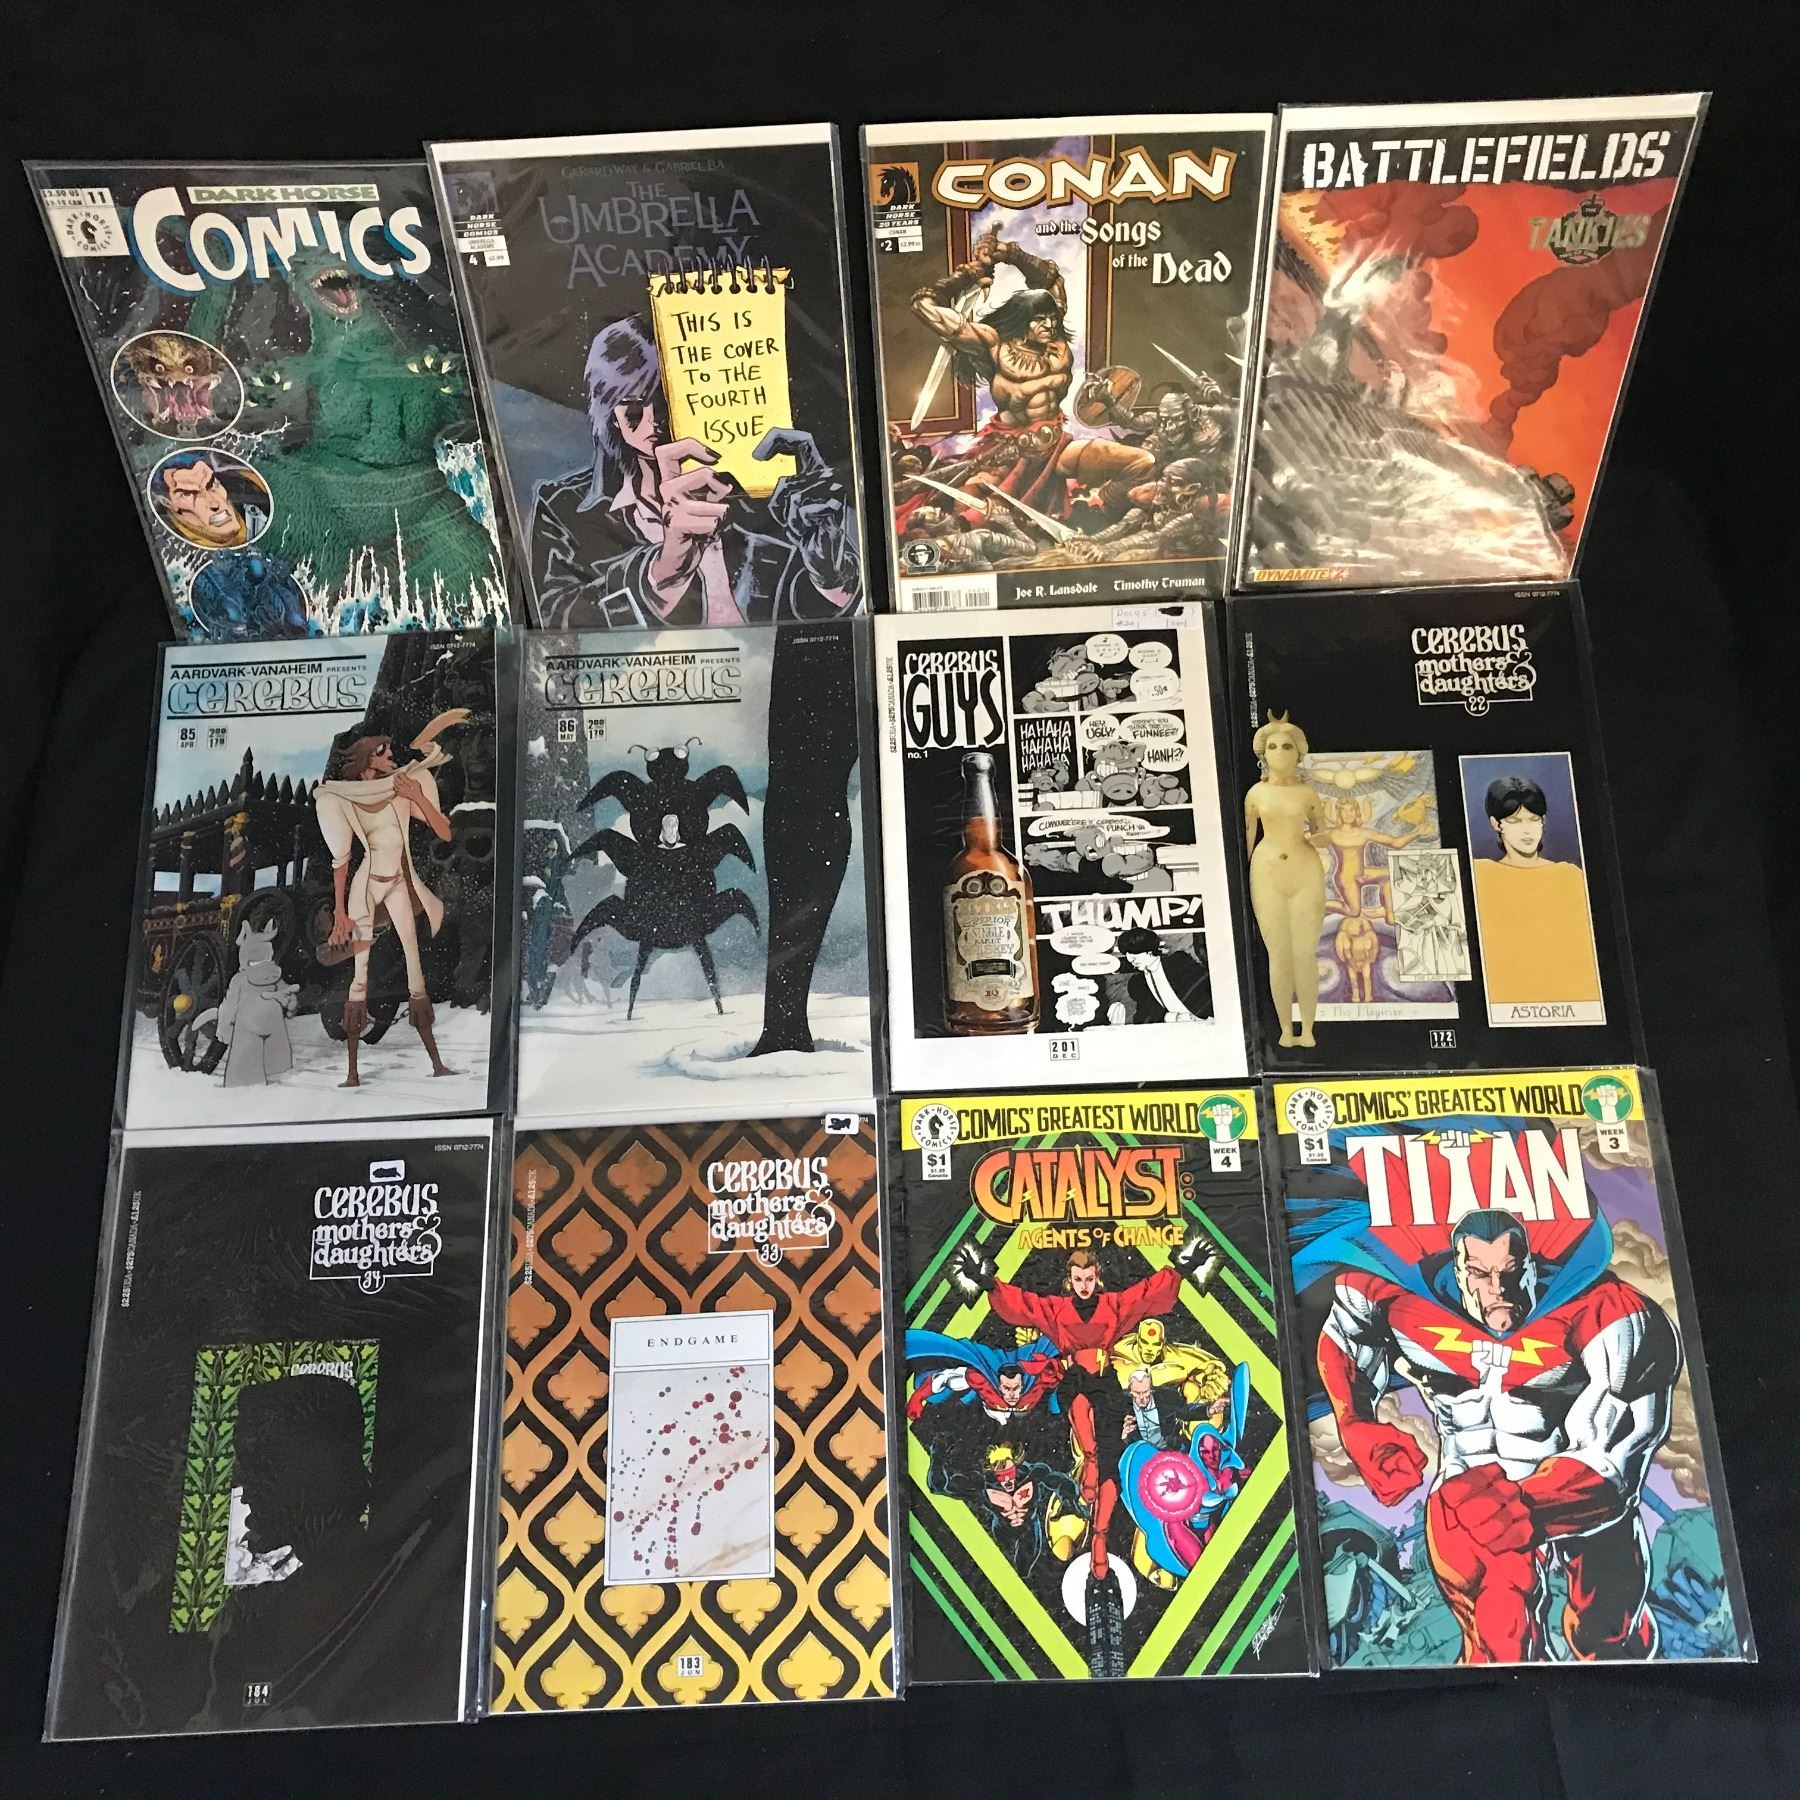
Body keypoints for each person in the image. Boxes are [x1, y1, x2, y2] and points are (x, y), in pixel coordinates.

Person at [1318, 1207, 1679, 1662]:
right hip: (1471, 1486)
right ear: (1458, 1271)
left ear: (1529, 1265)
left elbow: (1618, 1451)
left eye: (1510, 1272)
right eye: (1479, 1274)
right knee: (1501, 1647)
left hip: (1575, 1489)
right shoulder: (1398, 1301)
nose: (1497, 1290)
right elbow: (1345, 1338)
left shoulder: (1604, 1310)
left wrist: (1533, 1502)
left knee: (1609, 1634)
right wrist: (1356, 1423)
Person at [528, 314, 861, 629]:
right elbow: (557, 626)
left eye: (665, 402)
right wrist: (663, 571)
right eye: (634, 407)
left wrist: (832, 575)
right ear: (609, 410)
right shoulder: (565, 508)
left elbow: (834, 621)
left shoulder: (760, 492)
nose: (652, 420)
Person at [951, 1232, 1220, 1585]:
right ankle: (1090, 1462)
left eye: (1089, 1279)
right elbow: (1024, 1304)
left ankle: (1099, 1541)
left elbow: (1144, 1296)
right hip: (1075, 1381)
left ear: (1097, 1278)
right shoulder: (1056, 1310)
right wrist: (986, 1280)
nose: (1083, 1286)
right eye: (1078, 1280)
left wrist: (1182, 1270)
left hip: (1105, 1383)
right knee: (1081, 1414)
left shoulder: (1113, 1306)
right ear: (1069, 1281)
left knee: (1109, 1467)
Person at [315, 710, 469, 1085]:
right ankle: (352, 1072)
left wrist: (416, 795)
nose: (390, 756)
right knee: (360, 978)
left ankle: (437, 1063)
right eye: (383, 752)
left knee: (416, 972)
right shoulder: (345, 798)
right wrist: (340, 913)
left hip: (399, 882)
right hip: (366, 886)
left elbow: (444, 832)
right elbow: (341, 861)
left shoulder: (401, 790)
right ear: (367, 759)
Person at [1468, 772, 1602, 1010]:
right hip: (1502, 1002)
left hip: (1573, 999)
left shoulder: (1570, 877)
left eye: (1533, 819)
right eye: (1515, 821)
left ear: (1543, 821)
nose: (1526, 830)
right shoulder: (1479, 875)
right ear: (1496, 824)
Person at [1243, 713, 1329, 1047]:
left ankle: (1308, 1029)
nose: (1280, 752)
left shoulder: (1307, 793)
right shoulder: (1255, 793)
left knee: (1305, 952)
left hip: (1305, 870)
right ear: (1263, 754)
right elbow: (1248, 838)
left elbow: (1321, 833)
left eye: (1287, 746)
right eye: (1274, 746)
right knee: (1278, 954)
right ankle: (1284, 1029)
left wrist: (1324, 838)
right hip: (1267, 872)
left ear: (1299, 753)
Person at [151, 451, 269, 548]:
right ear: (168, 503)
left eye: (212, 484)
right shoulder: (169, 545)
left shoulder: (256, 507)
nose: (214, 504)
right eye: (188, 494)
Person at [1106, 926, 1212, 1024]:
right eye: (1127, 954)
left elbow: (1207, 987)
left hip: (1208, 1019)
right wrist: (1170, 1017)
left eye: (1133, 953)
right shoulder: (1137, 982)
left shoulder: (1178, 962)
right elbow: (1144, 1016)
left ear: (1149, 951)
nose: (1130, 959)